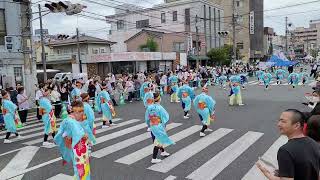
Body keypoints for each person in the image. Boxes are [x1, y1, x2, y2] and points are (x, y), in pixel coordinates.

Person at [257, 109, 320, 180]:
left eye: (283, 121)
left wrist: (269, 175)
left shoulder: (285, 151)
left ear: (297, 125)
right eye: (279, 120)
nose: (279, 124)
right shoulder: (314, 143)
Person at [54, 100, 91, 179]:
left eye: (82, 111)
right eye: (80, 111)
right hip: (77, 149)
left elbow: (61, 135)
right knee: (80, 170)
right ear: (73, 111)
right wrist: (85, 136)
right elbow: (81, 135)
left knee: (80, 170)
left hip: (76, 149)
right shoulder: (71, 122)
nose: (82, 113)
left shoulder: (68, 120)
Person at [145, 93, 173, 164]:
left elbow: (147, 118)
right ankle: (154, 158)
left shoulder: (149, 107)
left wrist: (149, 125)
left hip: (152, 126)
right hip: (159, 126)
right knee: (158, 142)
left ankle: (163, 151)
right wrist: (164, 126)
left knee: (158, 139)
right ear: (159, 99)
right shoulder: (160, 108)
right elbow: (165, 117)